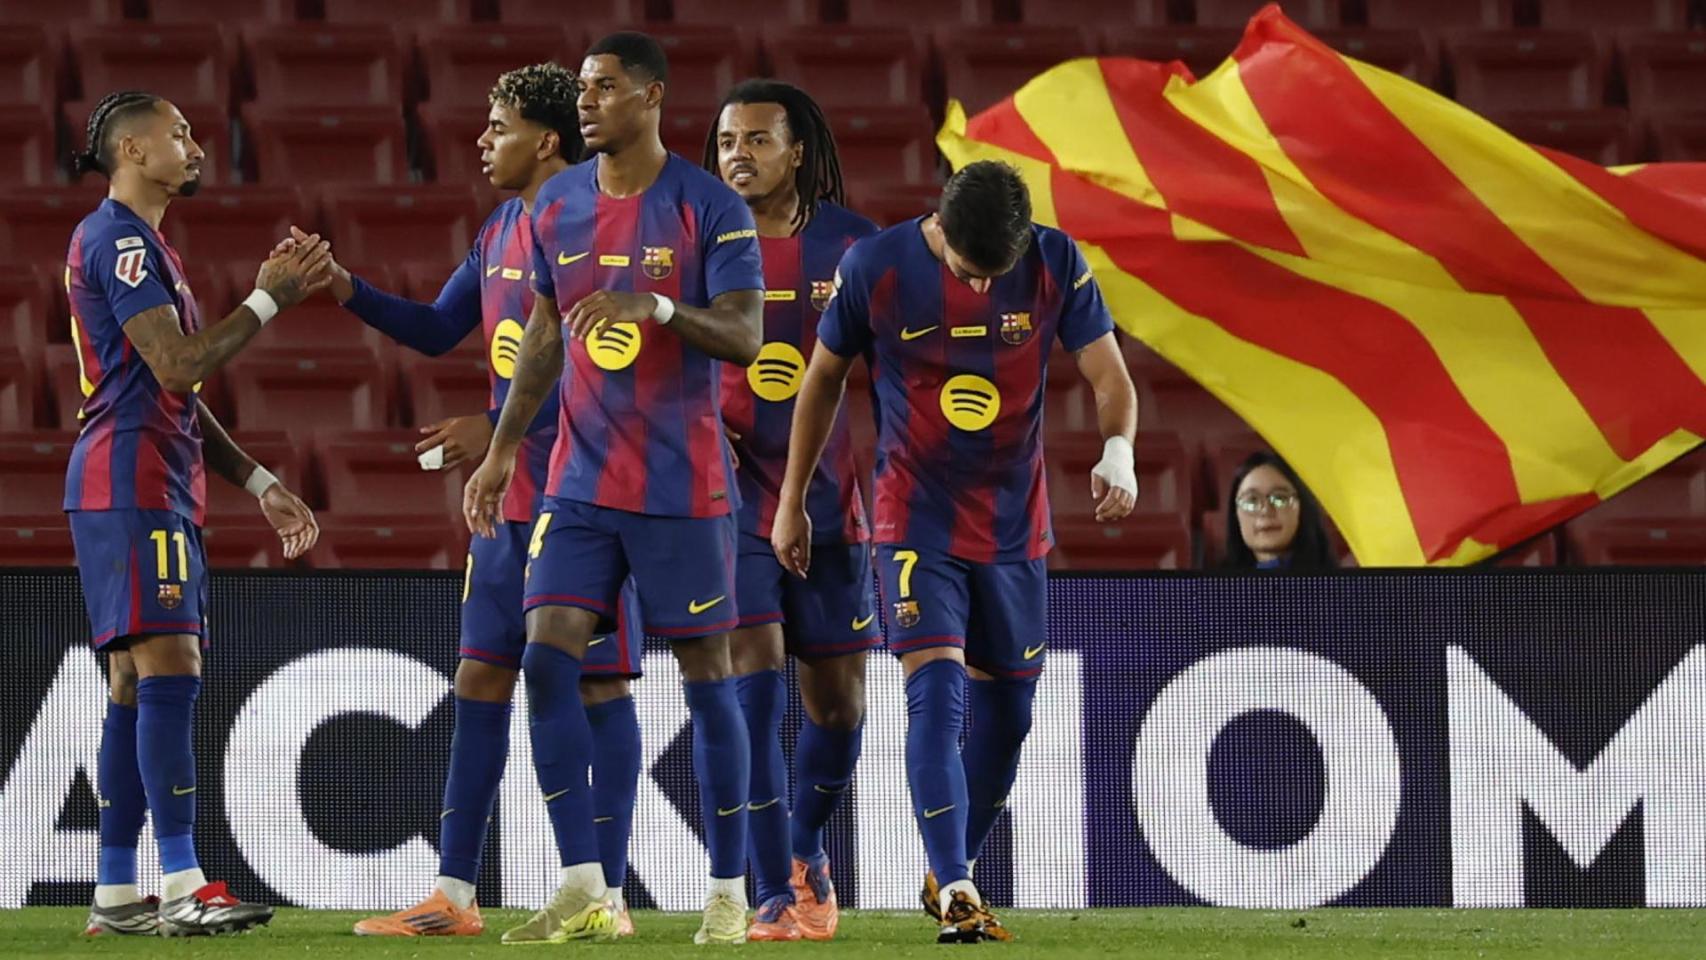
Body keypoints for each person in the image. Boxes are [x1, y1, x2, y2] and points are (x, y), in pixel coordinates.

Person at [285, 63, 647, 939]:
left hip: (583, 495)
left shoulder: (593, 229)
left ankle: (601, 893)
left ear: (548, 140)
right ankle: (454, 894)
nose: (482, 141)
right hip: (506, 502)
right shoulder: (499, 228)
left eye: (498, 127)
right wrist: (345, 289)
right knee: (482, 677)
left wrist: (491, 426)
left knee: (595, 690)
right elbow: (440, 327)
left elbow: (613, 377)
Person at [771, 160, 1139, 943]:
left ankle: (946, 870)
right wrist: (793, 498)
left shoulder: (1055, 259)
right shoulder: (874, 267)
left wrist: (1120, 450)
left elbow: (1108, 371)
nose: (981, 288)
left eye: (995, 274)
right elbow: (822, 379)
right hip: (915, 514)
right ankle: (963, 888)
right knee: (937, 691)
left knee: (1010, 715)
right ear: (940, 231)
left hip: (1015, 526)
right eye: (971, 272)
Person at [463, 31, 764, 946]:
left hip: (682, 489)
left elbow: (748, 336)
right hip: (579, 485)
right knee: (547, 658)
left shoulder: (709, 207)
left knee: (711, 684)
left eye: (603, 88)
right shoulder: (555, 205)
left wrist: (661, 307)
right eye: (582, 89)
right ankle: (586, 882)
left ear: (652, 96)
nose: (585, 101)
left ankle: (726, 891)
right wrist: (504, 450)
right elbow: (546, 338)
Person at [66, 90, 327, 936]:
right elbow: (178, 369)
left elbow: (176, 390)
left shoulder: (146, 246)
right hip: (132, 480)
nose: (196, 144)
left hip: (147, 477)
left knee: (137, 680)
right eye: (178, 133)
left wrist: (258, 483)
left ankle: (114, 889)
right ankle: (181, 881)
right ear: (134, 151)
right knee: (169, 665)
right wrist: (268, 299)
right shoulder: (120, 242)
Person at [701, 78, 878, 943]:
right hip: (726, 496)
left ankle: (806, 848)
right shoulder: (693, 236)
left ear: (799, 149)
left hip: (827, 498)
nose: (740, 155)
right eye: (729, 140)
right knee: (752, 678)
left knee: (840, 706)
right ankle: (771, 890)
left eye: (760, 140)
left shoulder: (855, 247)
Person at [1222, 450, 1336, 570]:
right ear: (1236, 515)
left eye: (1280, 498)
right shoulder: (1218, 586)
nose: (1266, 510)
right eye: (1251, 501)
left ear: (1302, 507)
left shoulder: (1335, 586)